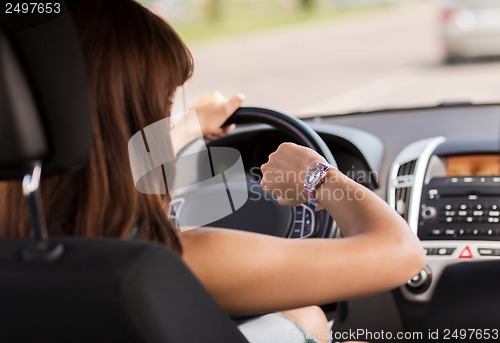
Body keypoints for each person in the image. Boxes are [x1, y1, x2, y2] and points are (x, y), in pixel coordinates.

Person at [0, 1, 426, 342]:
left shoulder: (20, 252)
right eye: (163, 106)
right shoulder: (173, 262)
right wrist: (318, 175)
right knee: (311, 319)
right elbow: (401, 254)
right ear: (126, 128)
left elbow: (103, 151)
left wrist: (190, 123)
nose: (168, 120)